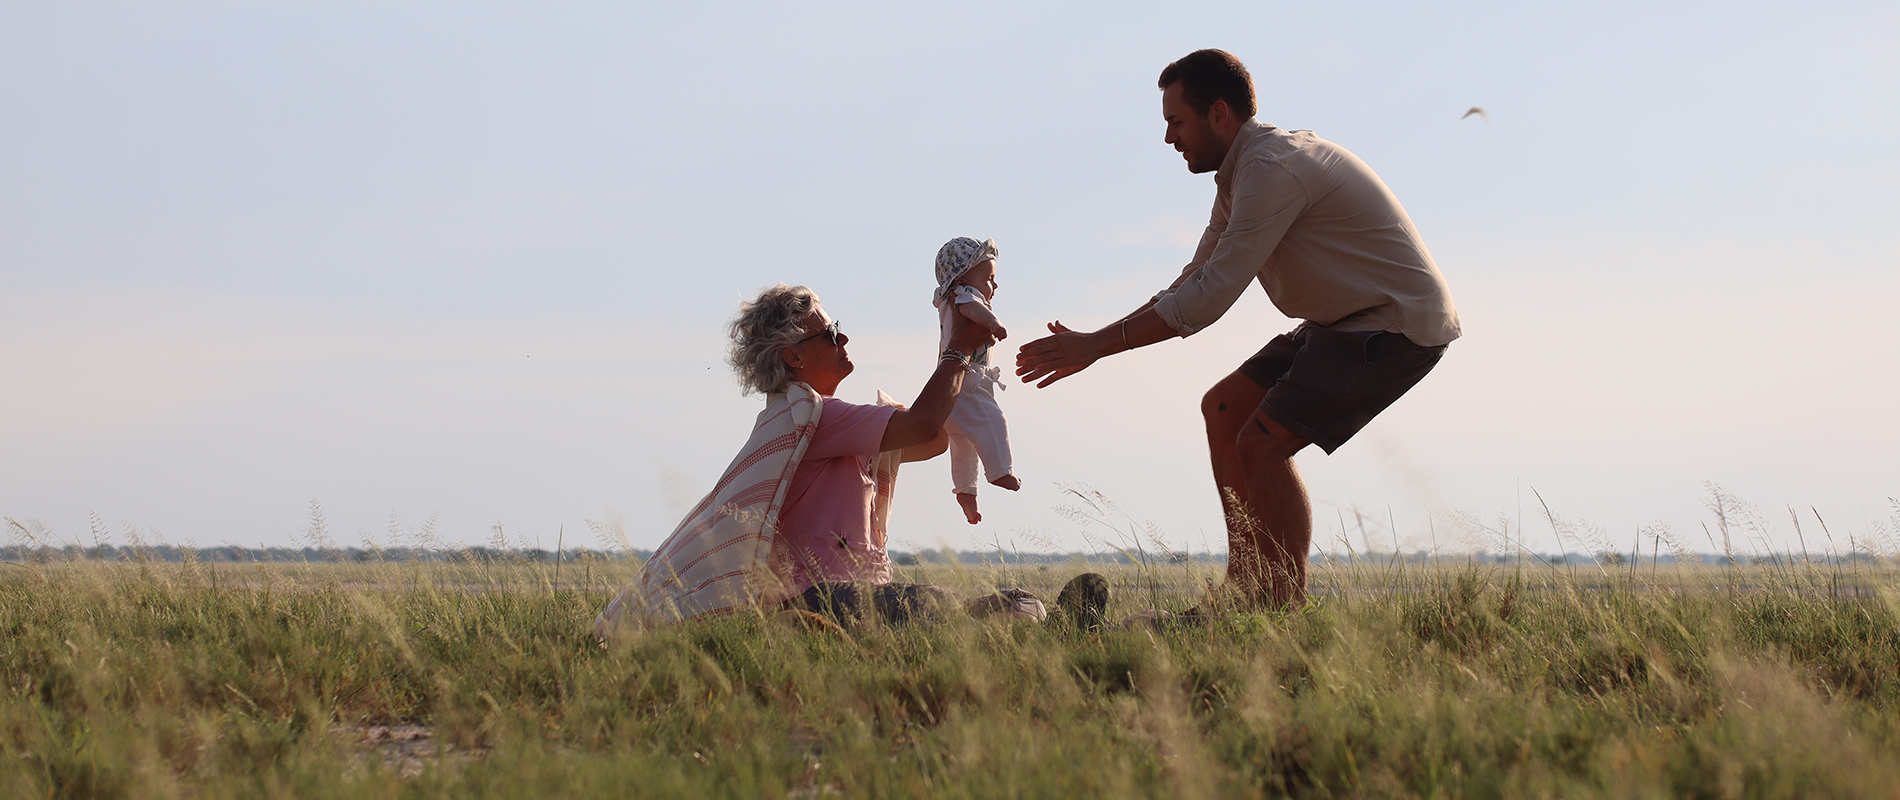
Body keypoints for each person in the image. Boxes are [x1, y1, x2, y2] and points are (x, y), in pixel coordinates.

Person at [1015, 49, 1461, 612]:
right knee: (1224, 408)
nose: (1169, 138)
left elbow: (1208, 299)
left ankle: (1282, 607)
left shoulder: (1272, 170)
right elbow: (1194, 277)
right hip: (1340, 322)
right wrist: (1098, 338)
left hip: (1396, 324)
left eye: (1176, 122)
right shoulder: (1241, 175)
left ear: (1218, 113)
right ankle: (1244, 587)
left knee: (1263, 442)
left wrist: (1098, 346)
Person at [595, 284, 1108, 635]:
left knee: (1000, 601)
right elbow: (928, 427)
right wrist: (957, 350)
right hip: (814, 600)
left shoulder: (823, 424)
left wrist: (963, 357)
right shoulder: (815, 418)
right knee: (935, 606)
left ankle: (1047, 625)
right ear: (793, 357)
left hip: (851, 598)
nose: (842, 338)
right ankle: (1057, 628)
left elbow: (931, 441)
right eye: (828, 333)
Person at [932, 237, 1023, 525]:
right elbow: (972, 307)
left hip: (947, 387)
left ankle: (966, 493)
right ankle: (1000, 470)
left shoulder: (948, 298)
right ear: (961, 278)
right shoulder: (964, 294)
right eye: (989, 279)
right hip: (969, 381)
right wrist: (993, 322)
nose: (993, 287)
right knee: (994, 422)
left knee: (962, 445)